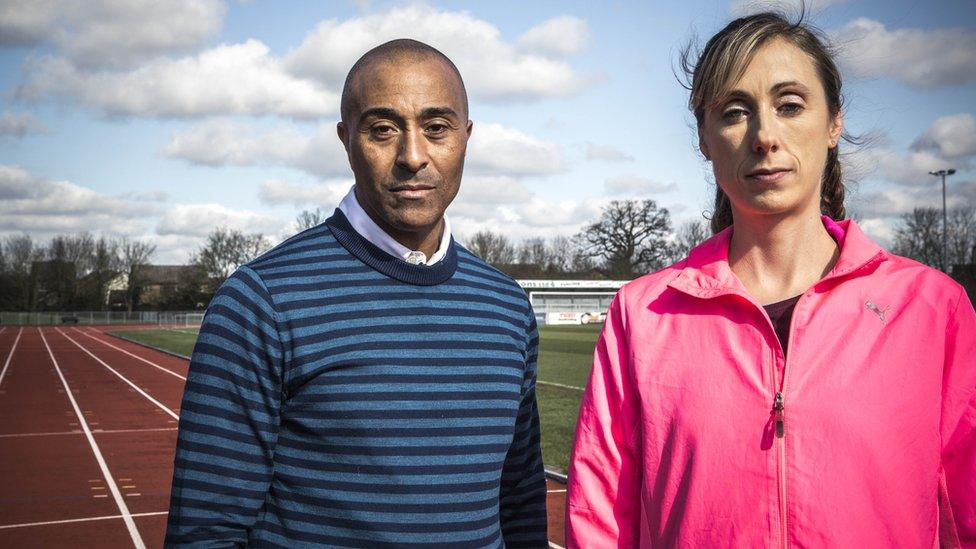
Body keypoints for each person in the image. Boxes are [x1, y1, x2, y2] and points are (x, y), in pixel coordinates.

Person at [566, 12, 975, 547]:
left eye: (790, 105)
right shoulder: (641, 314)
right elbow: (600, 522)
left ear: (834, 124)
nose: (764, 136)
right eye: (735, 112)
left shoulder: (931, 308)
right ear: (705, 139)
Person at [165, 39, 548, 547]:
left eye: (437, 128)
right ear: (346, 140)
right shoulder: (260, 302)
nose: (413, 156)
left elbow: (519, 505)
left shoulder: (506, 306)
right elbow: (206, 531)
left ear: (466, 136)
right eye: (383, 130)